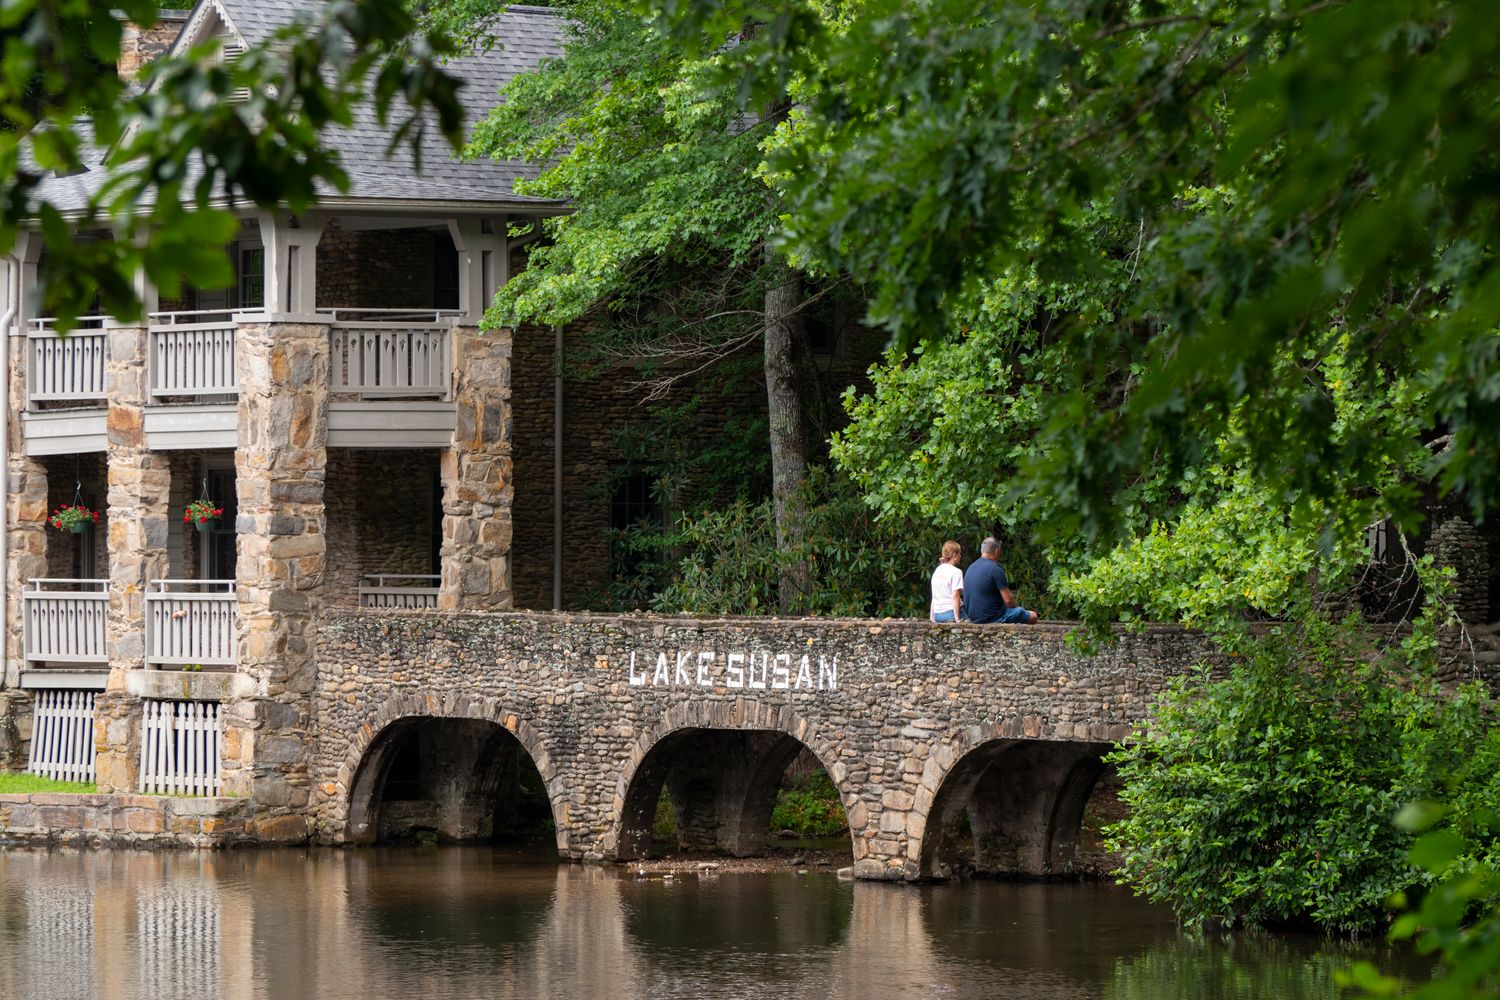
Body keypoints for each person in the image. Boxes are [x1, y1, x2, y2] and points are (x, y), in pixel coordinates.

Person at [961, 536, 1039, 624]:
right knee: (1033, 615)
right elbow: (1008, 601)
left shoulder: (970, 568)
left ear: (982, 550)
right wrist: (1016, 610)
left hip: (974, 618)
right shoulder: (995, 569)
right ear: (997, 551)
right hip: (993, 617)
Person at [929, 540, 965, 622]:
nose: (960, 556)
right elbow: (955, 596)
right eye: (959, 553)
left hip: (937, 614)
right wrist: (957, 619)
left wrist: (932, 616)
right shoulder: (956, 572)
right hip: (951, 612)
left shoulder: (937, 571)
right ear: (955, 555)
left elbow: (934, 595)